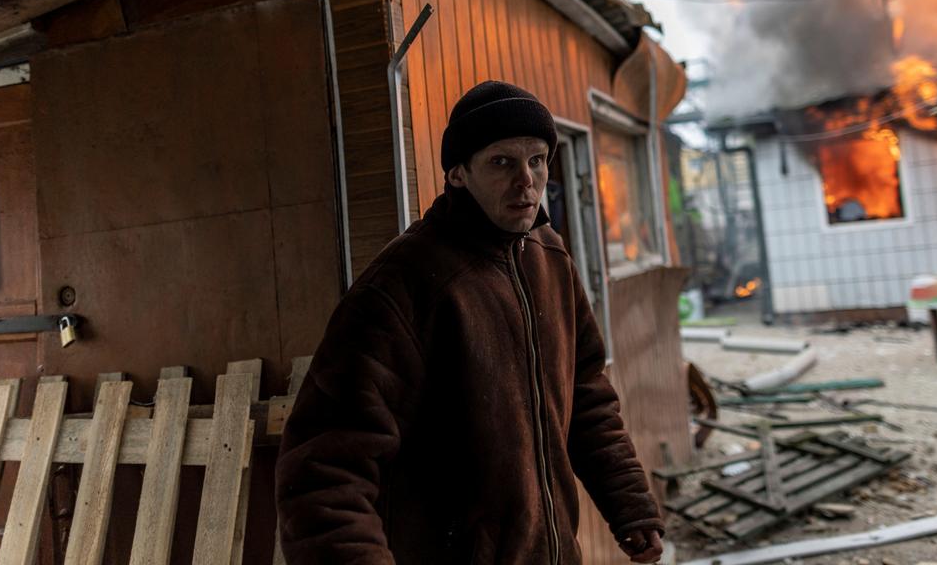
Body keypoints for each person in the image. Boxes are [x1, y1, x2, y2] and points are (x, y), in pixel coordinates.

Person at [276, 81, 665, 564]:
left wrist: (629, 503)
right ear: (459, 174)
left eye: (537, 160)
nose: (526, 181)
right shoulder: (403, 285)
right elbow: (324, 471)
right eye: (502, 162)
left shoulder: (550, 258)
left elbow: (586, 395)